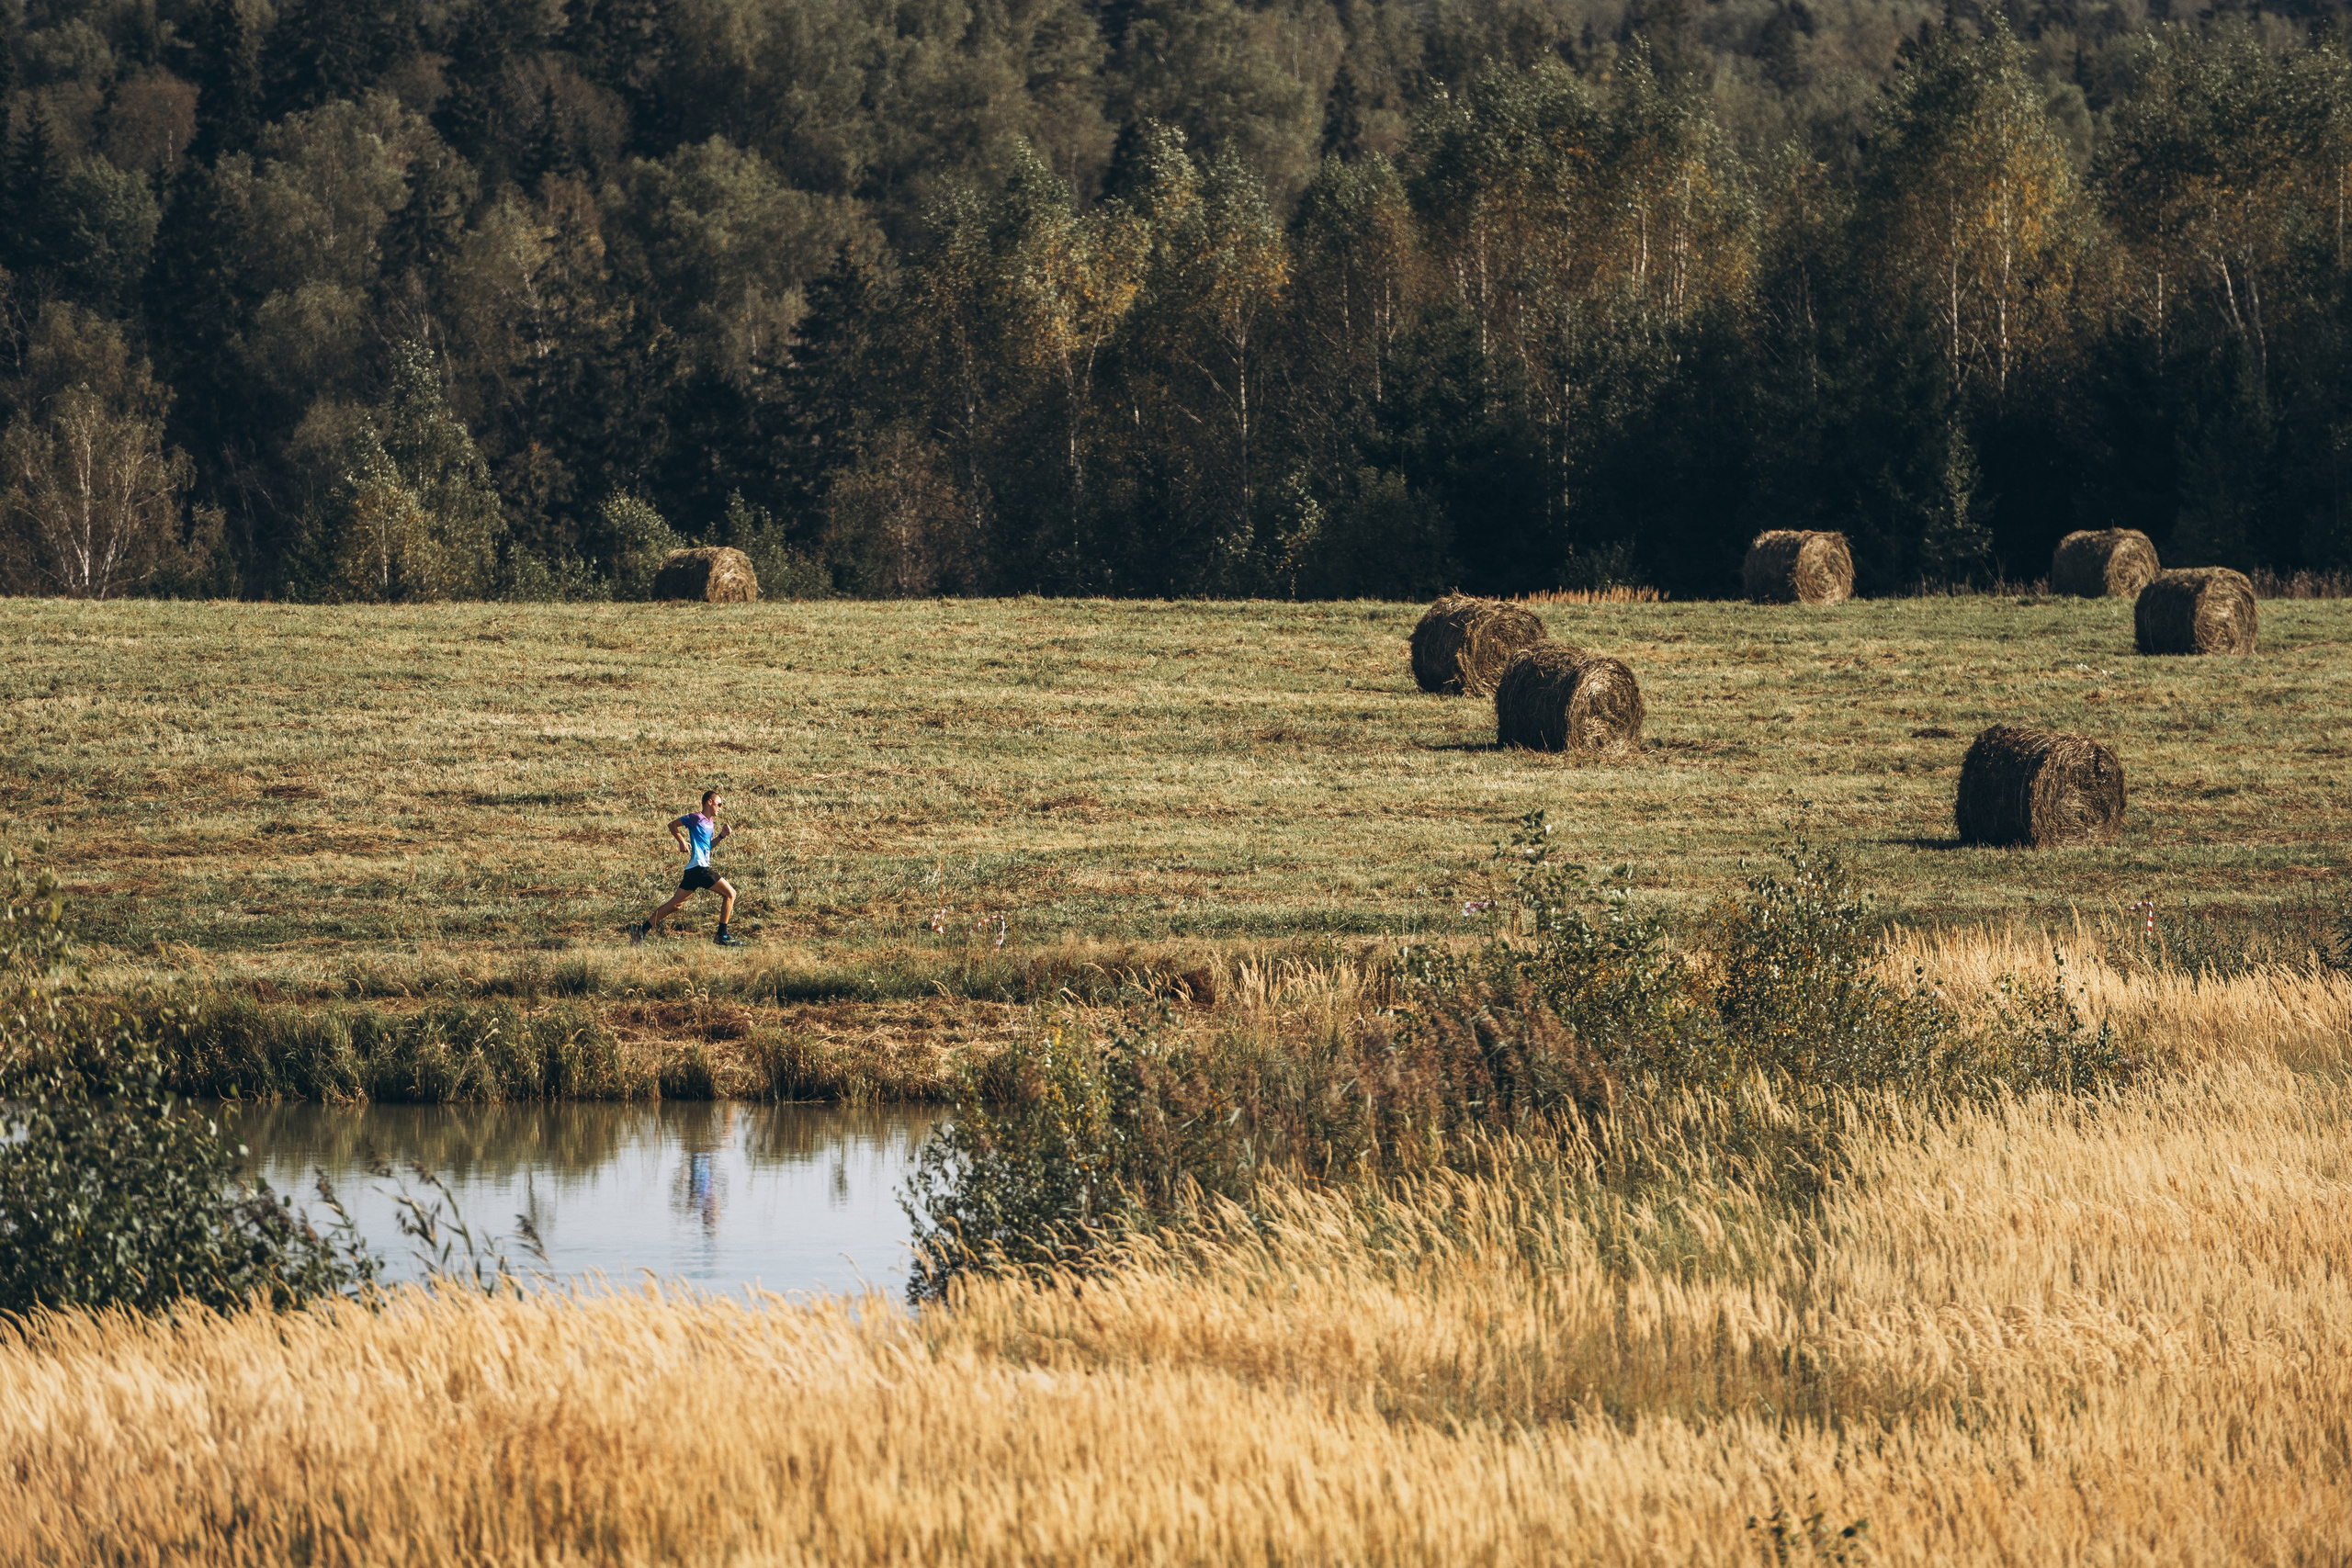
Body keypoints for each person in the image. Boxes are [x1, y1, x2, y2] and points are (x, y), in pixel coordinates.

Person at [631, 789, 741, 945]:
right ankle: (722, 936)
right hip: (699, 868)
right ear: (709, 802)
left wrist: (721, 836)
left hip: (693, 870)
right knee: (730, 894)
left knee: (675, 904)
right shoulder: (696, 818)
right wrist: (682, 841)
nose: (720, 808)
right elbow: (672, 825)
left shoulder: (710, 823)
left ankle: (641, 930)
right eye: (719, 804)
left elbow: (707, 847)